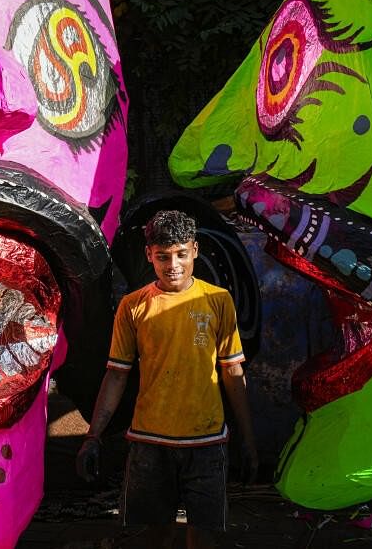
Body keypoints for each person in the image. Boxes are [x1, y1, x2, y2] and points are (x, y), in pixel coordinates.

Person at [76, 210, 257, 549]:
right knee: (155, 535)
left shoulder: (218, 301)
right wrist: (93, 436)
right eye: (162, 256)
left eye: (180, 254)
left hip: (207, 442)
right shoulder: (133, 307)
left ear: (195, 251)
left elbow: (233, 371)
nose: (172, 264)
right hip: (149, 442)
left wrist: (248, 440)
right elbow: (116, 374)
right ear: (150, 255)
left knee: (203, 535)